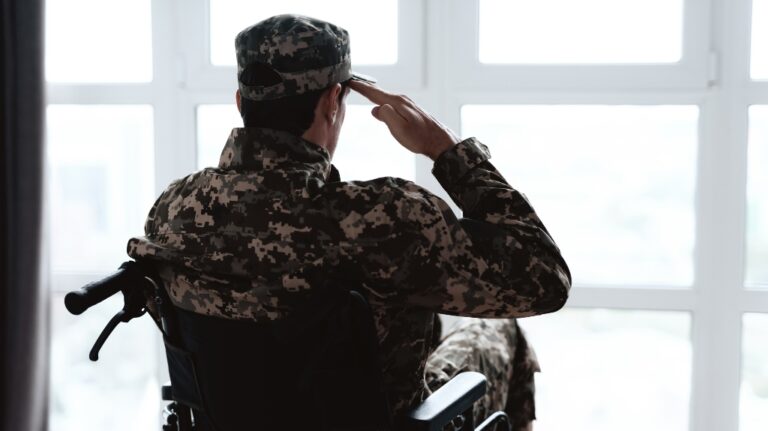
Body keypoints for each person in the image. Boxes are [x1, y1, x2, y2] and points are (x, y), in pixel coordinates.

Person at [127, 14, 571, 430]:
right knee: (499, 331)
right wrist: (446, 149)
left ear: (241, 101)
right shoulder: (386, 219)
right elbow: (545, 279)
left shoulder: (173, 209)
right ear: (332, 102)